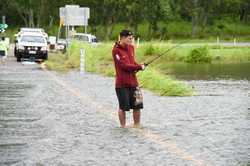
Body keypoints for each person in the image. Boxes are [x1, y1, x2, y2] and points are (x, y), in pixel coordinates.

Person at [112, 30, 146, 128]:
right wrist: (138, 67)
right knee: (123, 107)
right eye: (129, 38)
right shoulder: (116, 50)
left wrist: (139, 65)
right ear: (122, 38)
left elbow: (132, 62)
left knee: (138, 106)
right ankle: (123, 127)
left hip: (134, 83)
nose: (131, 40)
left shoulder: (131, 48)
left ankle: (137, 125)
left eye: (132, 38)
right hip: (121, 84)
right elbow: (124, 66)